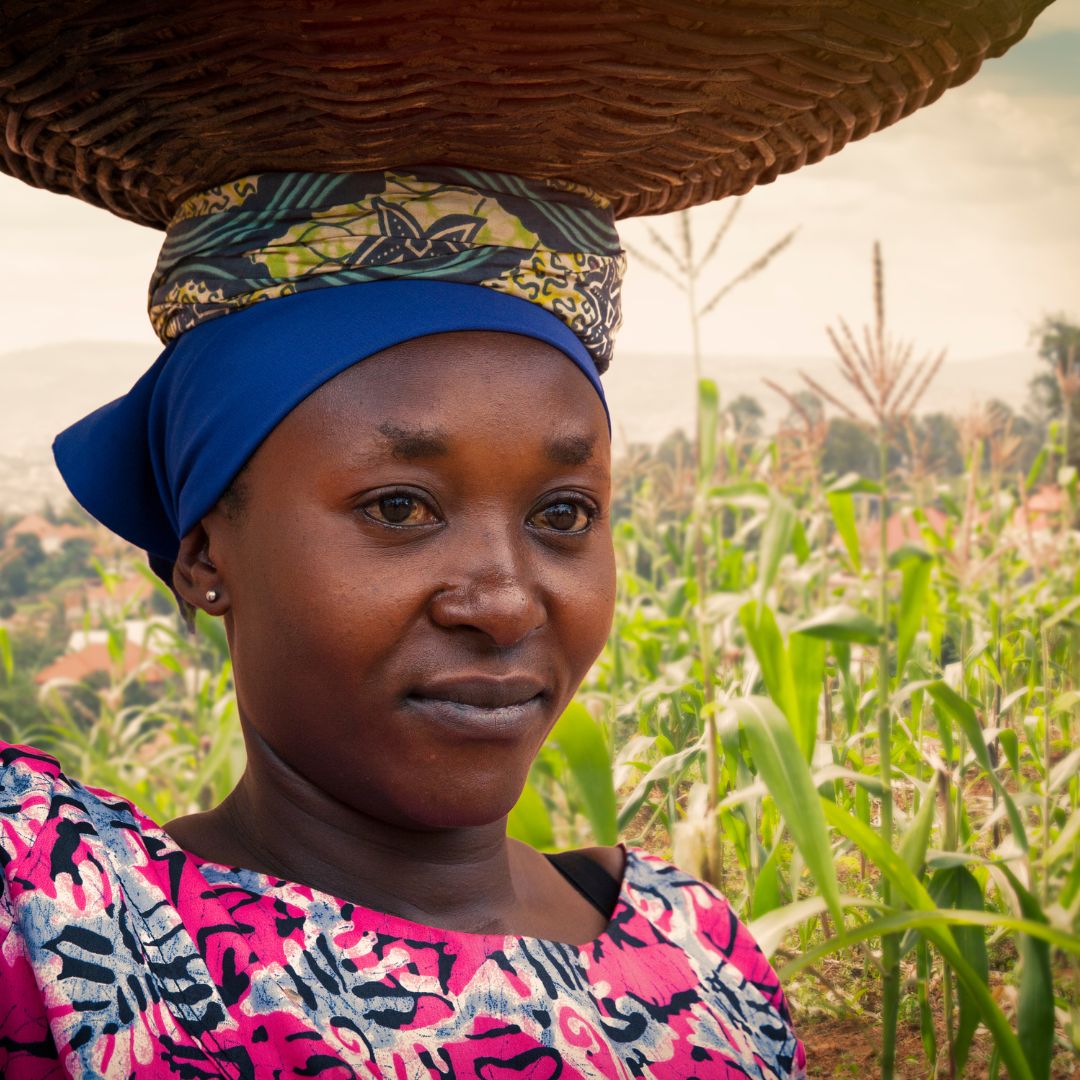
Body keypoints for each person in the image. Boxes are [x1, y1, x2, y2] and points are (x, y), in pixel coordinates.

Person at [0, 169, 806, 1078]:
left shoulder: (701, 956)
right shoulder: (75, 921)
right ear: (204, 559)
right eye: (397, 508)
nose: (504, 602)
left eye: (564, 516)